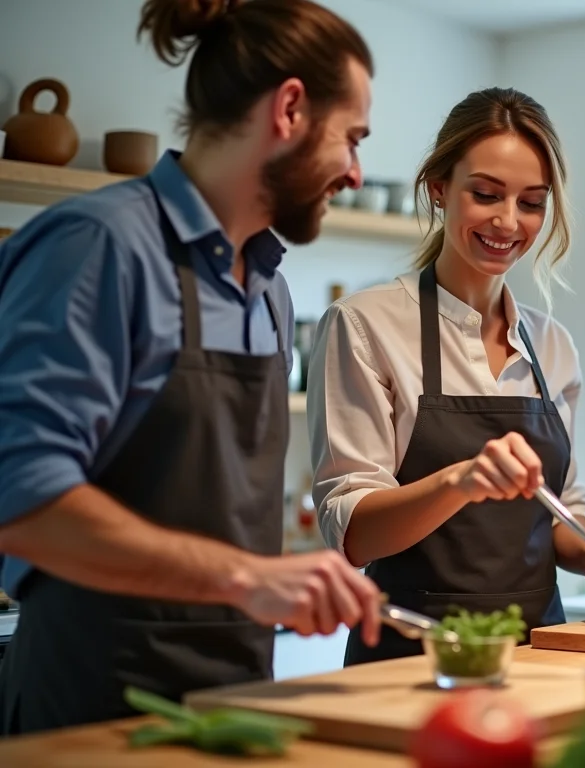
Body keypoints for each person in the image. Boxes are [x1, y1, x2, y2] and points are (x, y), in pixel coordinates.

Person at [0, 0, 386, 735]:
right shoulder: (99, 247)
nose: (356, 175)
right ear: (291, 109)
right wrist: (249, 578)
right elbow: (20, 499)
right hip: (91, 706)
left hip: (234, 700)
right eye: (352, 139)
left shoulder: (268, 288)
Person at [308, 87, 585, 667]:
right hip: (414, 656)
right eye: (486, 194)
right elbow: (354, 534)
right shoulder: (364, 325)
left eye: (531, 202)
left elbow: (563, 511)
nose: (508, 222)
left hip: (543, 651)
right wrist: (460, 481)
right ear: (440, 188)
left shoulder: (553, 346)